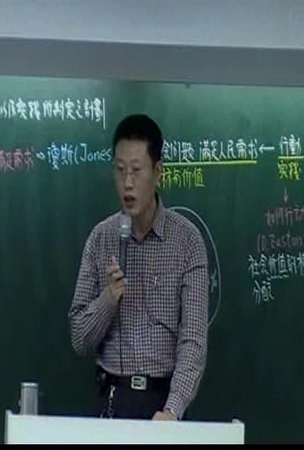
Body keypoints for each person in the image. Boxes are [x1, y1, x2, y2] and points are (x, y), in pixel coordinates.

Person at [68, 114, 209, 421]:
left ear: (157, 172)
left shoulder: (187, 241)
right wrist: (108, 298)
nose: (127, 183)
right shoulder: (100, 238)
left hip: (164, 403)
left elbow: (193, 340)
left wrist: (172, 410)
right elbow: (79, 339)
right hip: (112, 398)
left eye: (136, 170)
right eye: (120, 171)